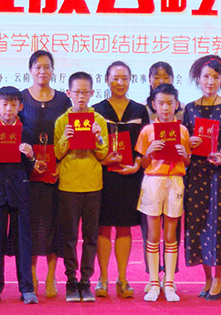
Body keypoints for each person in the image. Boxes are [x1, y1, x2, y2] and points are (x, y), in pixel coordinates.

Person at [182, 55, 221, 300]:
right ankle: (207, 278)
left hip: (220, 175)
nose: (210, 81)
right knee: (198, 225)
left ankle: (218, 279)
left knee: (219, 226)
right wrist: (190, 143)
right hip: (196, 173)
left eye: (216, 77)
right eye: (206, 76)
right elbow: (184, 141)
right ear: (198, 78)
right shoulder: (190, 108)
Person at [0, 86, 38, 304]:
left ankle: (27, 289)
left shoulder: (27, 132)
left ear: (21, 107)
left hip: (19, 192)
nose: (9, 109)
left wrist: (31, 157)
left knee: (23, 243)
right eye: (4, 104)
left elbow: (30, 167)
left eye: (13, 104)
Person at [93, 61, 149, 298]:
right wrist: (103, 160)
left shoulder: (140, 110)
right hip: (104, 177)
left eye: (124, 78)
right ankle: (103, 278)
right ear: (106, 80)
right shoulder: (96, 110)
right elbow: (91, 145)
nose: (120, 82)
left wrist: (136, 165)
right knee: (103, 227)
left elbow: (145, 143)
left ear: (131, 80)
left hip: (130, 177)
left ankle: (123, 278)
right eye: (115, 78)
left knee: (125, 228)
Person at [54, 72, 109, 302]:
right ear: (68, 93)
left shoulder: (98, 120)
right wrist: (65, 139)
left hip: (93, 184)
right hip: (68, 184)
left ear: (92, 93)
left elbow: (104, 154)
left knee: (90, 236)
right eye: (76, 92)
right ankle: (70, 279)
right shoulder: (62, 121)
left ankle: (86, 280)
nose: (81, 96)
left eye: (85, 92)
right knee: (69, 236)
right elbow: (57, 154)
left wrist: (97, 138)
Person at [21, 50, 71, 298]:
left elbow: (70, 135)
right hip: (28, 174)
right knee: (30, 226)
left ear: (53, 70)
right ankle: (32, 277)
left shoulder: (63, 100)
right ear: (30, 70)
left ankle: (51, 278)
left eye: (47, 67)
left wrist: (60, 165)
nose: (42, 71)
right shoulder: (20, 99)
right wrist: (29, 163)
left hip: (55, 173)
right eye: (38, 67)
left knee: (55, 226)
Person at [135, 83, 191, 302]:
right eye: (161, 103)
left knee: (170, 235)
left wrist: (184, 154)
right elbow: (142, 164)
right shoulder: (147, 131)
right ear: (153, 105)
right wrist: (149, 153)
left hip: (175, 181)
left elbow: (187, 162)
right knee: (153, 234)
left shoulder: (182, 130)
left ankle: (169, 283)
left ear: (177, 104)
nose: (165, 108)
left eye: (170, 103)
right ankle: (153, 282)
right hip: (153, 182)